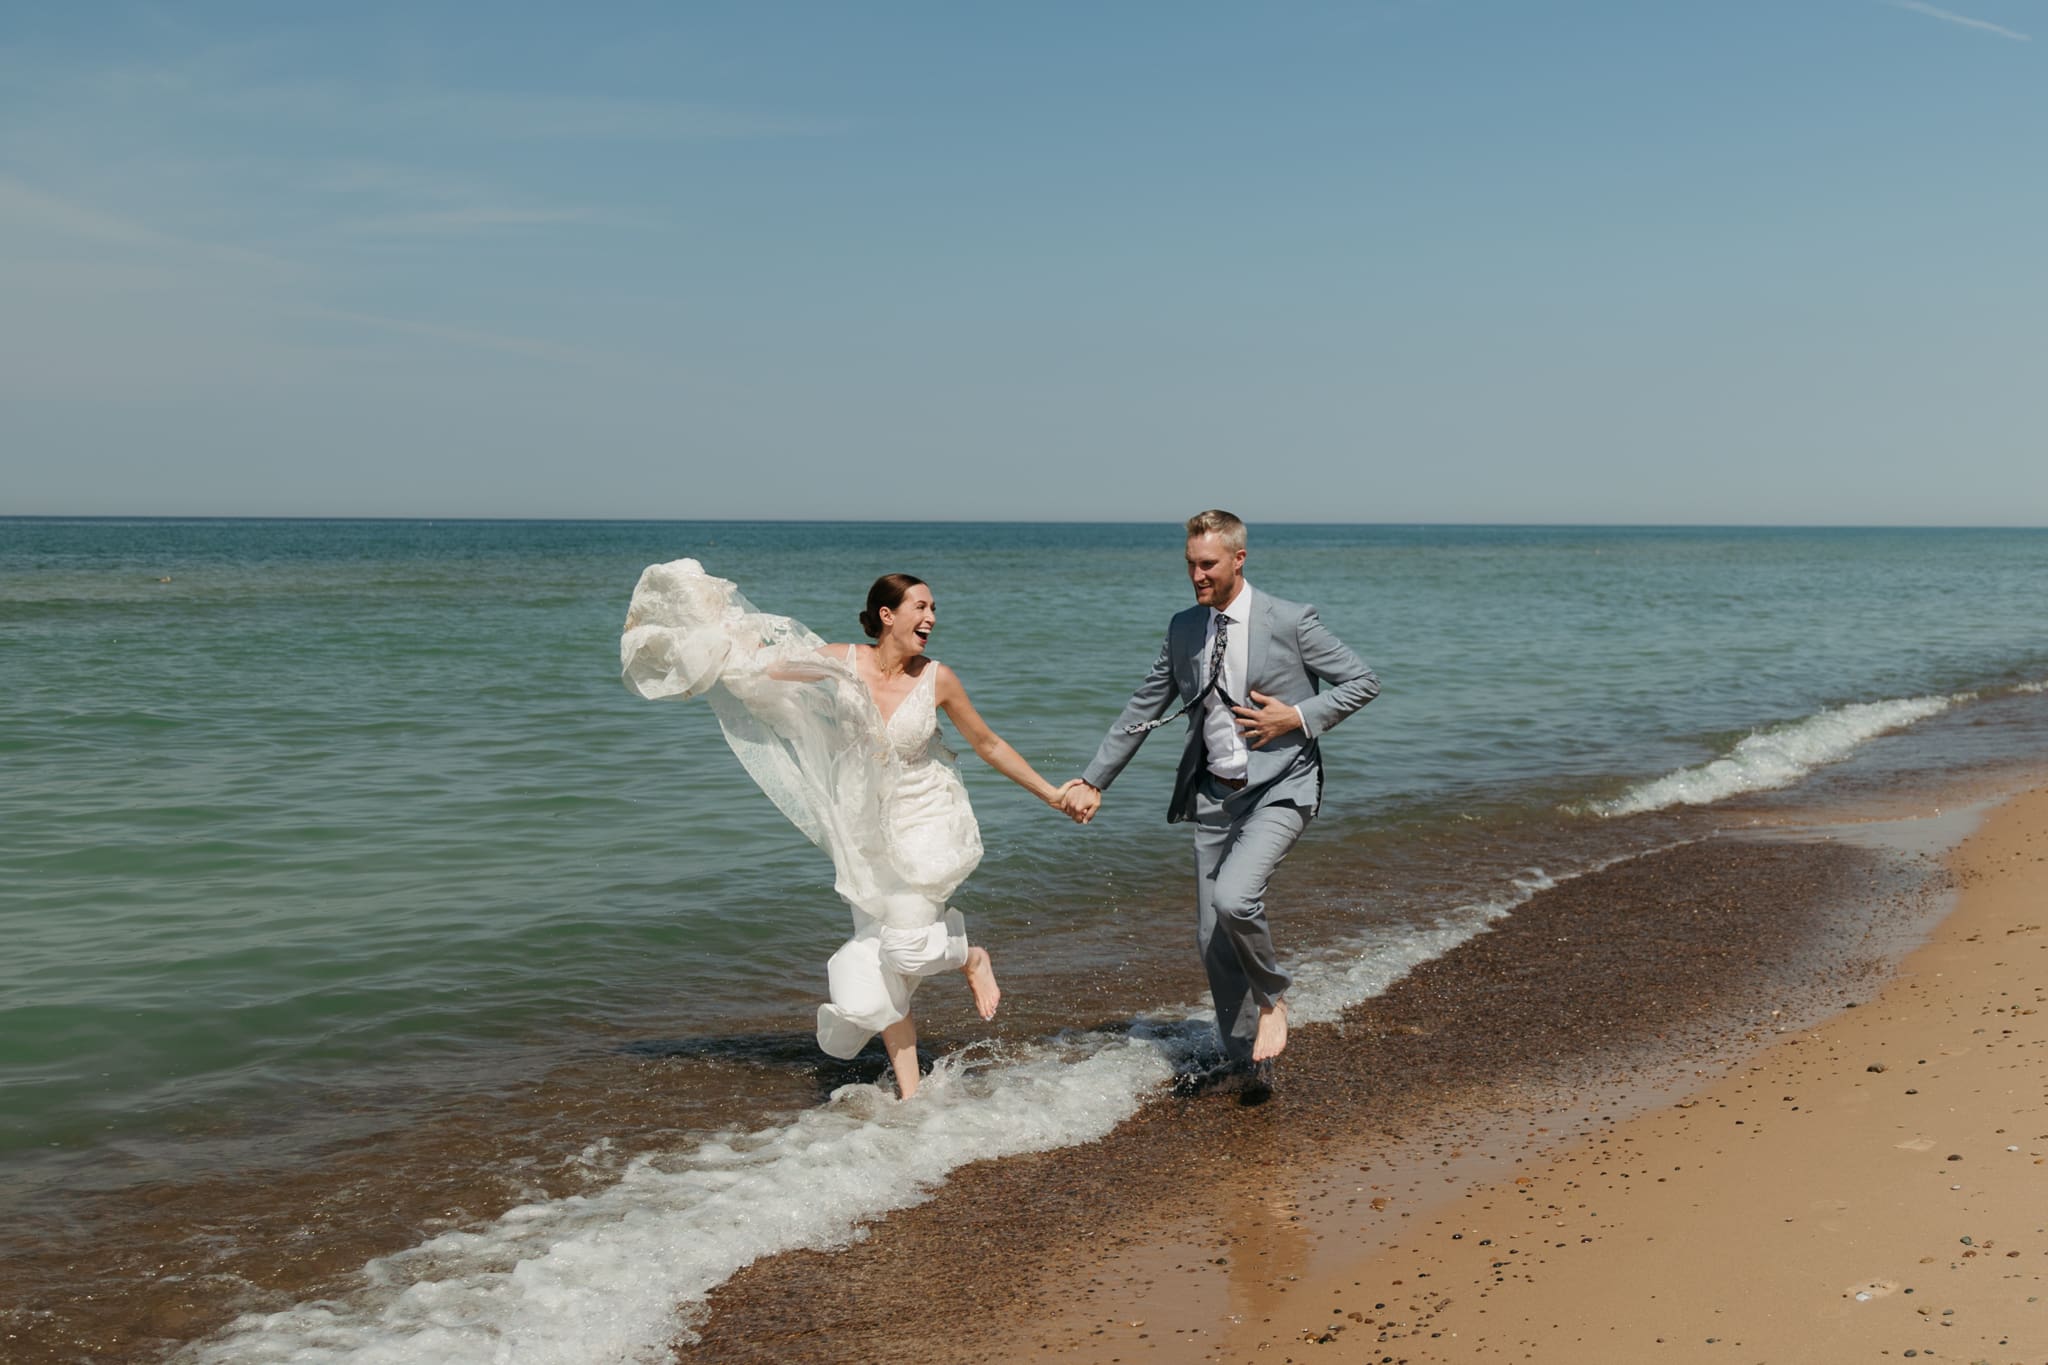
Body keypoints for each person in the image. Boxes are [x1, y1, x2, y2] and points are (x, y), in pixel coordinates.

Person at [622, 562, 1079, 1099]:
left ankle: (969, 955)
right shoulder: (840, 662)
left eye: (933, 609)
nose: (931, 617)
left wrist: (1052, 793)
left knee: (907, 949)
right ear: (887, 616)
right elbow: (762, 674)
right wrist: (717, 639)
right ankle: (912, 1096)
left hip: (923, 821)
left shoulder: (938, 679)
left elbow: (988, 744)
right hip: (862, 828)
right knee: (881, 966)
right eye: (921, 607)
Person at [1062, 510, 1378, 1080]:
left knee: (1235, 900)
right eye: (1190, 565)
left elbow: (1362, 681)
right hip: (1214, 796)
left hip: (1281, 787)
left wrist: (1298, 716)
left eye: (1207, 564)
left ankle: (1274, 999)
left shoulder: (1290, 621)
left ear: (1238, 559)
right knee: (1212, 937)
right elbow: (1143, 706)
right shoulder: (1184, 627)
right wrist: (1093, 779)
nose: (1197, 575)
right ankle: (1245, 1065)